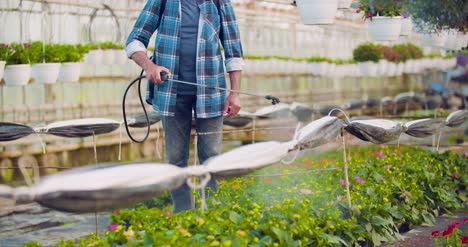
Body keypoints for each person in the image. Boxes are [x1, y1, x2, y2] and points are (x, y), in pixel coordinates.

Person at [126, 0, 244, 213]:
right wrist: (149, 66)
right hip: (172, 92)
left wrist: (235, 93)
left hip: (211, 91)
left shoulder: (219, 2)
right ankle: (183, 214)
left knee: (212, 156)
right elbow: (135, 40)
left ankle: (214, 214)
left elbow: (233, 51)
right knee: (176, 158)